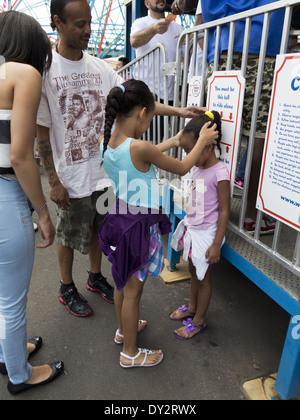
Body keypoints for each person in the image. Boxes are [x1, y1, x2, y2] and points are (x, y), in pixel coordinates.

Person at [37, 0, 209, 318]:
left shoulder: (100, 69)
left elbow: (138, 103)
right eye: (80, 24)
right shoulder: (47, 72)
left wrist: (182, 111)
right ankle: (65, 286)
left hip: (102, 173)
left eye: (90, 22)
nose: (88, 30)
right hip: (69, 176)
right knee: (68, 234)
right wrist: (54, 180)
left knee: (97, 231)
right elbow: (42, 132)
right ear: (58, 23)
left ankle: (94, 277)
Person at [98, 79, 219, 368]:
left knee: (121, 281)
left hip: (119, 218)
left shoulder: (111, 140)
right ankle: (130, 352)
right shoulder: (139, 147)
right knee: (133, 291)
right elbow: (180, 167)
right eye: (150, 116)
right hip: (138, 227)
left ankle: (122, 330)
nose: (150, 121)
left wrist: (175, 140)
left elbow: (147, 155)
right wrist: (201, 141)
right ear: (141, 113)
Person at [0, 10, 64, 395]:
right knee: (12, 299)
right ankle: (20, 374)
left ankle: (7, 352)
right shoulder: (24, 74)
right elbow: (22, 156)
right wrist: (43, 212)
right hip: (5, 194)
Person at [169, 111, 230, 339]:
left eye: (190, 150)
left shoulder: (220, 173)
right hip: (194, 229)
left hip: (208, 235)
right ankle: (192, 308)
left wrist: (216, 244)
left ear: (207, 146)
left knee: (203, 278)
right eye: (187, 151)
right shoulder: (196, 167)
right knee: (193, 271)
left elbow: (224, 211)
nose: (188, 155)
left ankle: (199, 320)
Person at [131, 0, 183, 105]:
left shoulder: (178, 28)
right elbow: (134, 41)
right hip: (145, 92)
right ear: (146, 4)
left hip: (170, 95)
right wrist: (154, 29)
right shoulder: (140, 22)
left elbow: (188, 58)